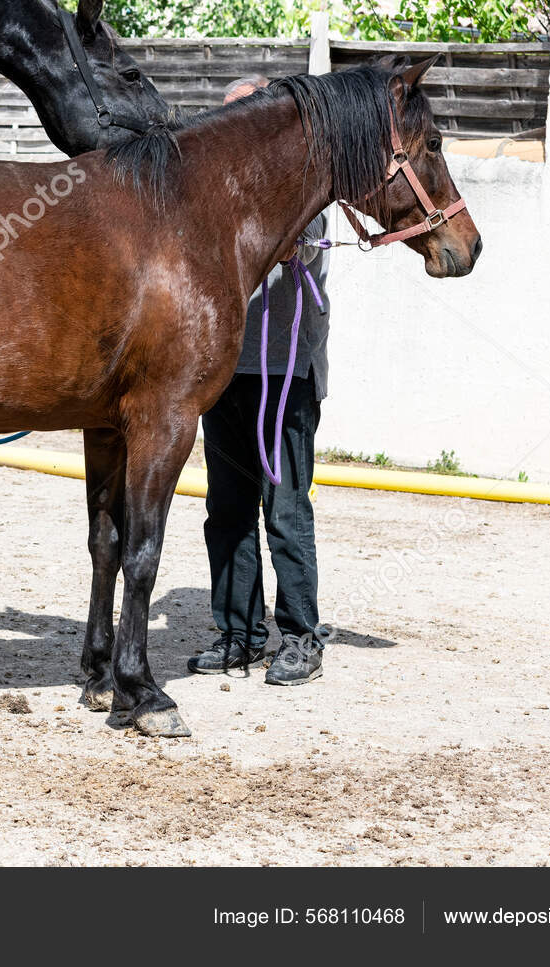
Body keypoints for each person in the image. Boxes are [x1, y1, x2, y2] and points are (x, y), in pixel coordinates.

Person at [189, 76, 329, 686]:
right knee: (227, 510)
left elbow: (296, 249)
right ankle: (238, 634)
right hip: (226, 371)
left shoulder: (300, 189)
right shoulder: (212, 196)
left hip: (285, 373)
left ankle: (300, 637)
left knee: (286, 511)